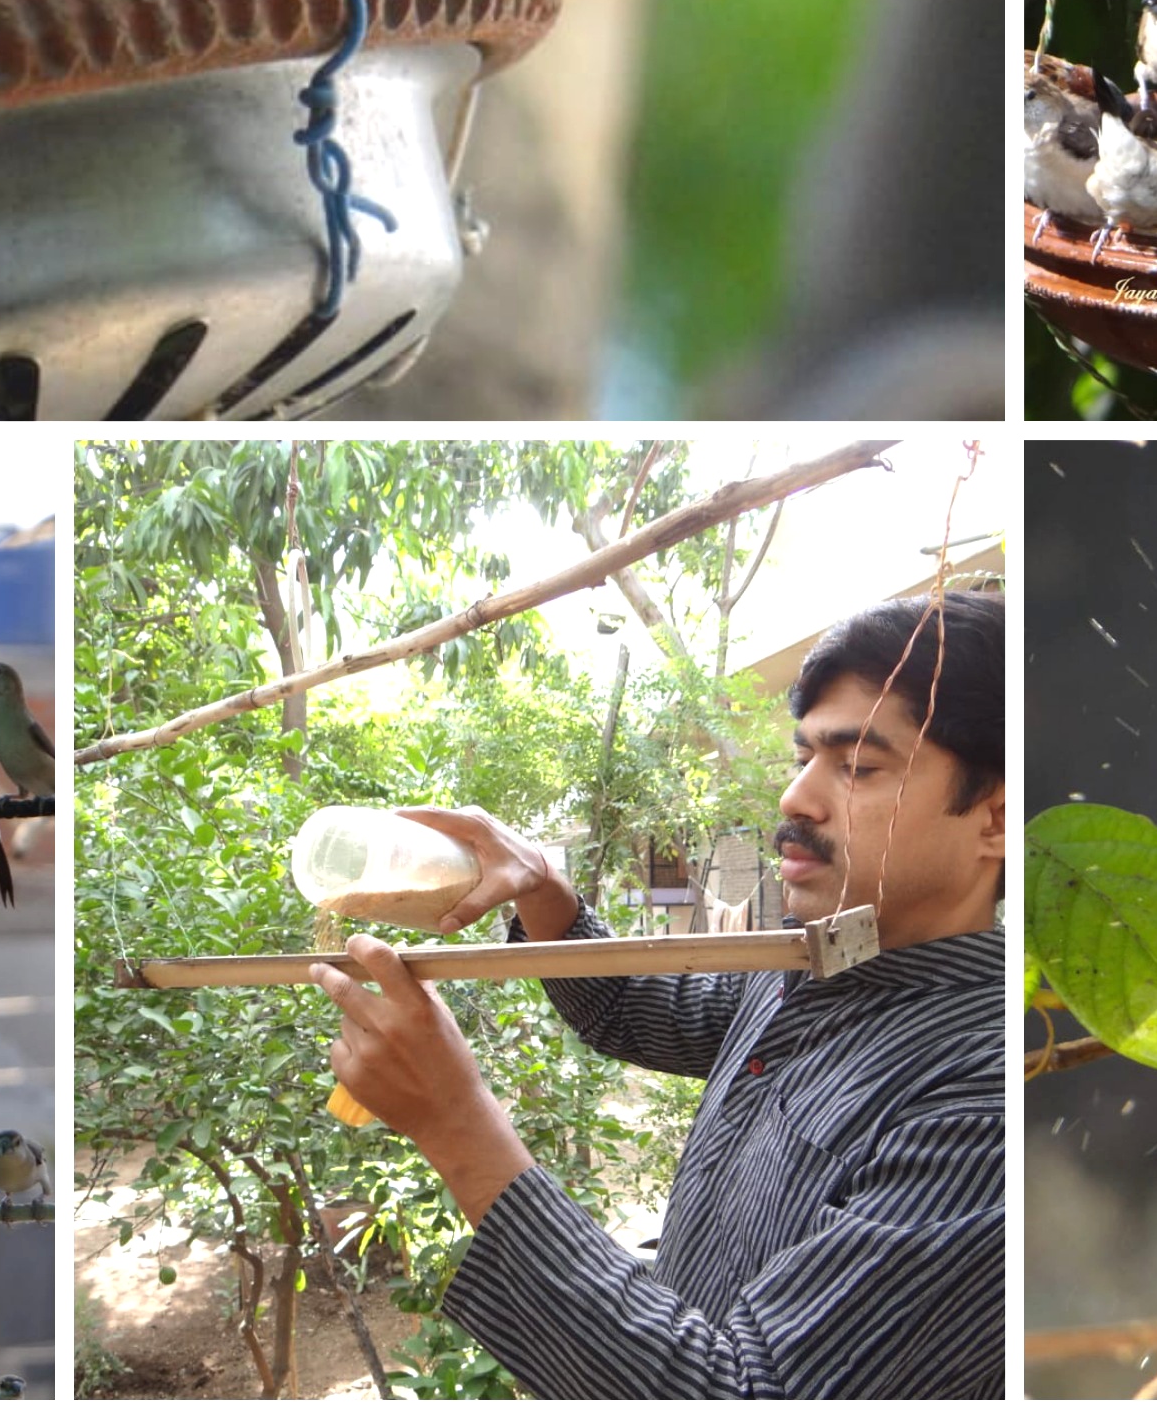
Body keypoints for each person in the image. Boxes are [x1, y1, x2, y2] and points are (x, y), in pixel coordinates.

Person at [310, 591, 1006, 1397]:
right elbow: (645, 1011)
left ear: (994, 816)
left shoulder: (982, 1101)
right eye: (803, 757)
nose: (796, 799)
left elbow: (740, 1397)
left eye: (856, 767)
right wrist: (543, 890)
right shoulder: (812, 964)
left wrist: (457, 1124)